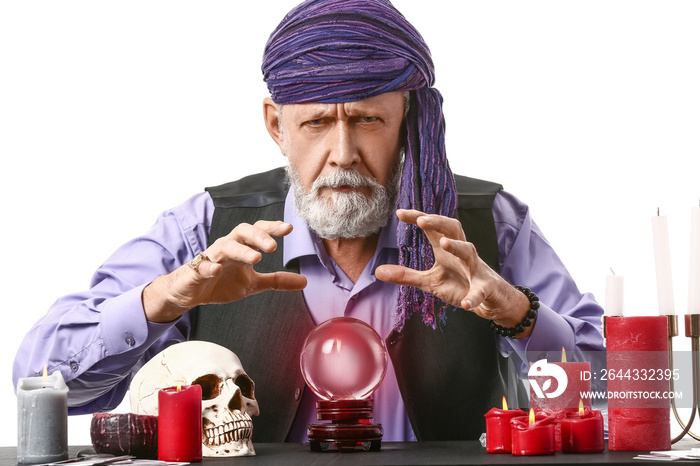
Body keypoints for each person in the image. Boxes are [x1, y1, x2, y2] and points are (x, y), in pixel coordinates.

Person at [13, 0, 604, 443]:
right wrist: (161, 299)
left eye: (368, 120)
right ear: (276, 125)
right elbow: (40, 380)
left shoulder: (491, 225)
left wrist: (517, 313)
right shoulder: (205, 227)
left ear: (409, 122)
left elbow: (617, 396)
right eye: (317, 123)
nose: (343, 152)